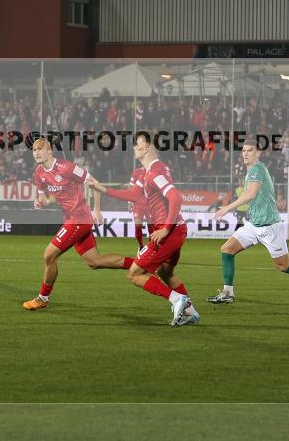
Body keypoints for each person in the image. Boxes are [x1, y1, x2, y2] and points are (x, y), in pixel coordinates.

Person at [88, 131, 200, 327]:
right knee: (165, 273)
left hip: (168, 233)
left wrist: (165, 229)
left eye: (137, 144)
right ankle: (190, 313)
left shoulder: (154, 173)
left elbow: (176, 197)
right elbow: (134, 194)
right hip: (176, 230)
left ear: (146, 147)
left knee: (134, 273)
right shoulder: (153, 171)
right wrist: (104, 189)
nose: (134, 147)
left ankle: (177, 300)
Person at [208, 139, 289, 305]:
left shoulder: (257, 170)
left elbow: (250, 194)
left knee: (284, 266)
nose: (245, 153)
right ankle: (228, 292)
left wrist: (226, 208)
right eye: (243, 150)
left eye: (249, 150)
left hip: (269, 227)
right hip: (253, 225)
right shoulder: (252, 171)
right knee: (227, 249)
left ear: (258, 153)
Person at [22, 138, 129, 311]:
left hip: (79, 219)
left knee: (49, 255)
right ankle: (139, 264)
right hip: (72, 219)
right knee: (95, 262)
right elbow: (43, 196)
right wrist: (40, 201)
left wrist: (97, 210)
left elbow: (92, 182)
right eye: (34, 150)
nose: (37, 152)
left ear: (50, 150)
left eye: (40, 149)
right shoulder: (39, 172)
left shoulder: (67, 168)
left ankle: (43, 297)